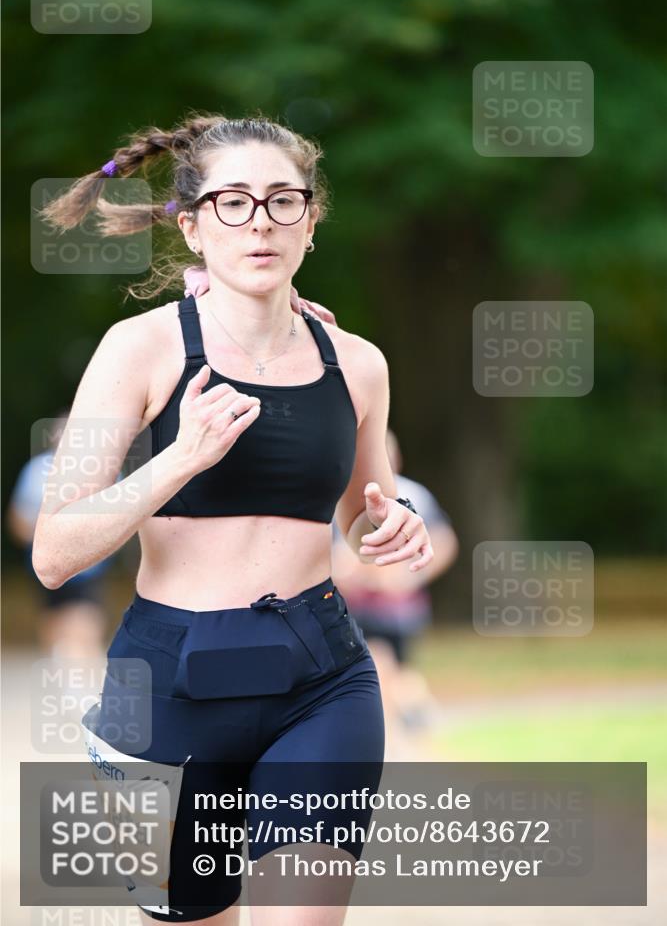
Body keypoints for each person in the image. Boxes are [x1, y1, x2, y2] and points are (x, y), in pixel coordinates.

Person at [32, 113, 435, 926]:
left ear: (311, 223)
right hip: (169, 686)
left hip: (321, 681)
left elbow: (367, 512)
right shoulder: (137, 350)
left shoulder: (356, 362)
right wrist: (178, 458)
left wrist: (391, 532)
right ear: (191, 225)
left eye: (284, 201)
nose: (261, 221)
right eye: (234, 202)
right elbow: (53, 552)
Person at [332, 428, 458, 745]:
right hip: (355, 605)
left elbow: (444, 542)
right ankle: (411, 726)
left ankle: (404, 731)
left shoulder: (412, 494)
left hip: (396, 608)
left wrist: (409, 577)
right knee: (386, 668)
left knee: (386, 668)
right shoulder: (340, 496)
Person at [6, 408, 110, 659]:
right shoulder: (36, 470)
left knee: (84, 628)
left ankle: (86, 689)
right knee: (55, 632)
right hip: (47, 568)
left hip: (87, 569)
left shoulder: (102, 469)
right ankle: (67, 685)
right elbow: (18, 520)